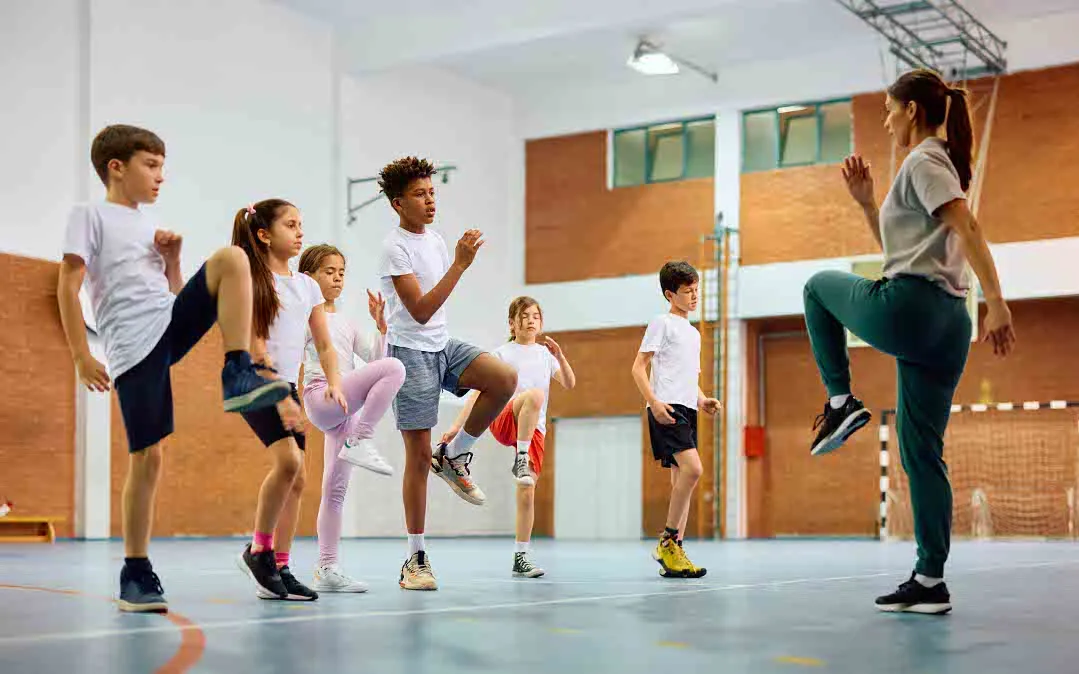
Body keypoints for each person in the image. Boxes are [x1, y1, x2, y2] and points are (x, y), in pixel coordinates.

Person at [803, 68, 1016, 614]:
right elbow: (902, 252)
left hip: (913, 309)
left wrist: (999, 301)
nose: (886, 119)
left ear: (913, 111)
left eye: (889, 110)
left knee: (817, 287)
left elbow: (969, 228)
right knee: (922, 452)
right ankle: (929, 581)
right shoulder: (930, 166)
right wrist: (867, 203)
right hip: (947, 326)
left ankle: (840, 401)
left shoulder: (923, 159)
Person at [57, 124, 290, 612]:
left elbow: (175, 292)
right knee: (149, 457)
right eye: (152, 165)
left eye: (163, 166)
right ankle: (136, 571)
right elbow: (68, 281)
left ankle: (237, 369)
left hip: (165, 324)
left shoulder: (150, 224)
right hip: (131, 347)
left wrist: (173, 261)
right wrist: (81, 353)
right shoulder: (90, 215)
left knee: (231, 258)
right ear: (116, 168)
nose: (161, 176)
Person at [376, 156, 517, 590]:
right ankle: (415, 560)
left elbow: (434, 317)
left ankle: (453, 454)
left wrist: (454, 258)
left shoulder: (436, 241)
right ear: (399, 204)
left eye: (432, 192)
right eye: (420, 195)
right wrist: (460, 265)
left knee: (503, 379)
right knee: (416, 459)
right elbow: (418, 312)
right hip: (410, 353)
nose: (430, 200)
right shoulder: (394, 247)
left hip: (443, 346)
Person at [230, 199, 347, 601]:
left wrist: (334, 382)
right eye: (290, 225)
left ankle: (279, 566)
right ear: (263, 235)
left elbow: (325, 344)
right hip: (254, 381)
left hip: (287, 386)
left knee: (297, 481)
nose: (300, 232)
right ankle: (259, 550)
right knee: (289, 461)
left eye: (302, 224)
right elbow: (254, 342)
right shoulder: (251, 278)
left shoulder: (307, 286)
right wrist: (278, 394)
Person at [298, 243, 406, 593]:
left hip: (345, 410)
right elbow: (385, 370)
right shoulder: (304, 315)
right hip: (322, 396)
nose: (337, 278)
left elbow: (375, 357)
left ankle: (326, 568)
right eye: (329, 272)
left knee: (334, 490)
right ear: (309, 277)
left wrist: (382, 326)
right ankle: (361, 439)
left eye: (341, 272)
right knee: (395, 368)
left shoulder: (345, 320)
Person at [443, 296, 576, 578]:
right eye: (524, 316)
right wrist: (457, 425)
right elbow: (479, 393)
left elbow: (569, 383)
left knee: (527, 491)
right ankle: (522, 457)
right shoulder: (501, 354)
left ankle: (521, 556)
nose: (531, 320)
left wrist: (560, 356)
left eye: (536, 316)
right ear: (512, 323)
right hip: (505, 419)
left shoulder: (545, 355)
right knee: (535, 396)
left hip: (534, 428)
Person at [631, 261, 721, 579]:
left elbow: (685, 376)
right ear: (671, 294)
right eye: (688, 291)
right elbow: (639, 368)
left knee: (679, 480)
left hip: (687, 407)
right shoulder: (662, 323)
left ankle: (675, 555)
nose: (695, 296)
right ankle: (668, 541)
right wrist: (654, 403)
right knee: (694, 469)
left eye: (697, 289)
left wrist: (702, 398)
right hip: (666, 408)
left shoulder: (693, 333)